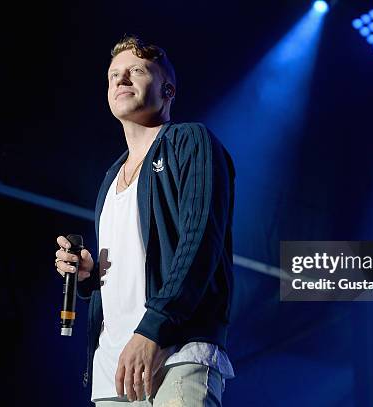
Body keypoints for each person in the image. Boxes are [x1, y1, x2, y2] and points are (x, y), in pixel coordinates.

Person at [54, 35, 236, 406]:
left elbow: (200, 241)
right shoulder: (110, 177)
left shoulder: (191, 141)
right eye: (113, 75)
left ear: (167, 90)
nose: (121, 80)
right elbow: (132, 264)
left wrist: (152, 330)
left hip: (177, 352)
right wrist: (88, 276)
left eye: (135, 71)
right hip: (113, 371)